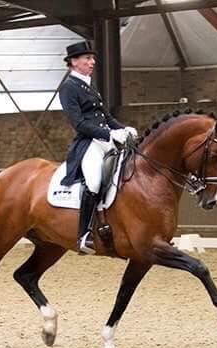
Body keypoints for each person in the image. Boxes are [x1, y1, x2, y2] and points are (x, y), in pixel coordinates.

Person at [58, 41, 137, 255]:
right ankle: (84, 235)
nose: (92, 62)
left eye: (92, 58)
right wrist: (110, 134)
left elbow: (106, 117)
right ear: (74, 62)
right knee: (93, 182)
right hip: (88, 144)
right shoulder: (68, 88)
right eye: (87, 59)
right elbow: (79, 124)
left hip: (106, 141)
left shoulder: (89, 85)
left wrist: (125, 129)